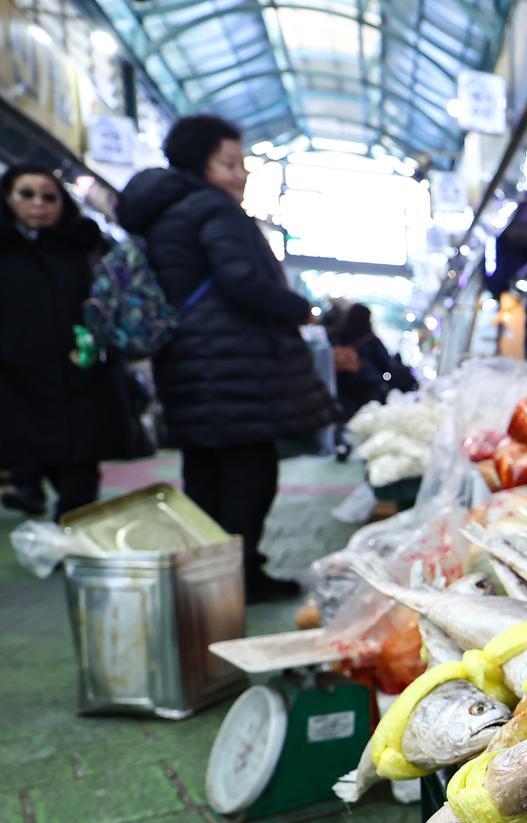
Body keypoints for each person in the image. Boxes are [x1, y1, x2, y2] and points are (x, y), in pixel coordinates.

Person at [118, 114, 339, 602]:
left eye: (242, 164)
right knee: (249, 473)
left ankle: (210, 575)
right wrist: (300, 308)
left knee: (205, 473)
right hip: (230, 365)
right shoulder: (212, 210)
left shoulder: (165, 215)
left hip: (188, 364)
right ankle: (241, 574)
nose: (239, 175)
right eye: (228, 163)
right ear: (200, 162)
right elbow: (243, 283)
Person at [0, 166, 118, 518]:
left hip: (78, 379)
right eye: (27, 194)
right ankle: (28, 489)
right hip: (12, 383)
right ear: (8, 197)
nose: (39, 203)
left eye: (49, 196)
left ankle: (73, 548)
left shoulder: (83, 247)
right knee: (26, 452)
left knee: (80, 480)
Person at [330, 302, 416, 421]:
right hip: (367, 389)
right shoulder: (371, 340)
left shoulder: (336, 336)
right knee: (366, 422)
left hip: (340, 388)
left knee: (344, 422)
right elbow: (386, 365)